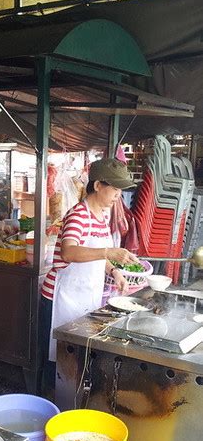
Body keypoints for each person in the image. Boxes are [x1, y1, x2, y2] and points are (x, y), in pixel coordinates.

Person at [39, 158, 139, 391]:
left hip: (83, 297)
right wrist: (109, 251)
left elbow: (94, 254)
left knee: (74, 356)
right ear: (97, 186)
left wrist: (114, 271)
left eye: (120, 190)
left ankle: (69, 400)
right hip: (60, 298)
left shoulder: (102, 215)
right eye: (114, 188)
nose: (118, 195)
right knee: (56, 356)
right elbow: (69, 251)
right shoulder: (78, 215)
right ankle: (48, 404)